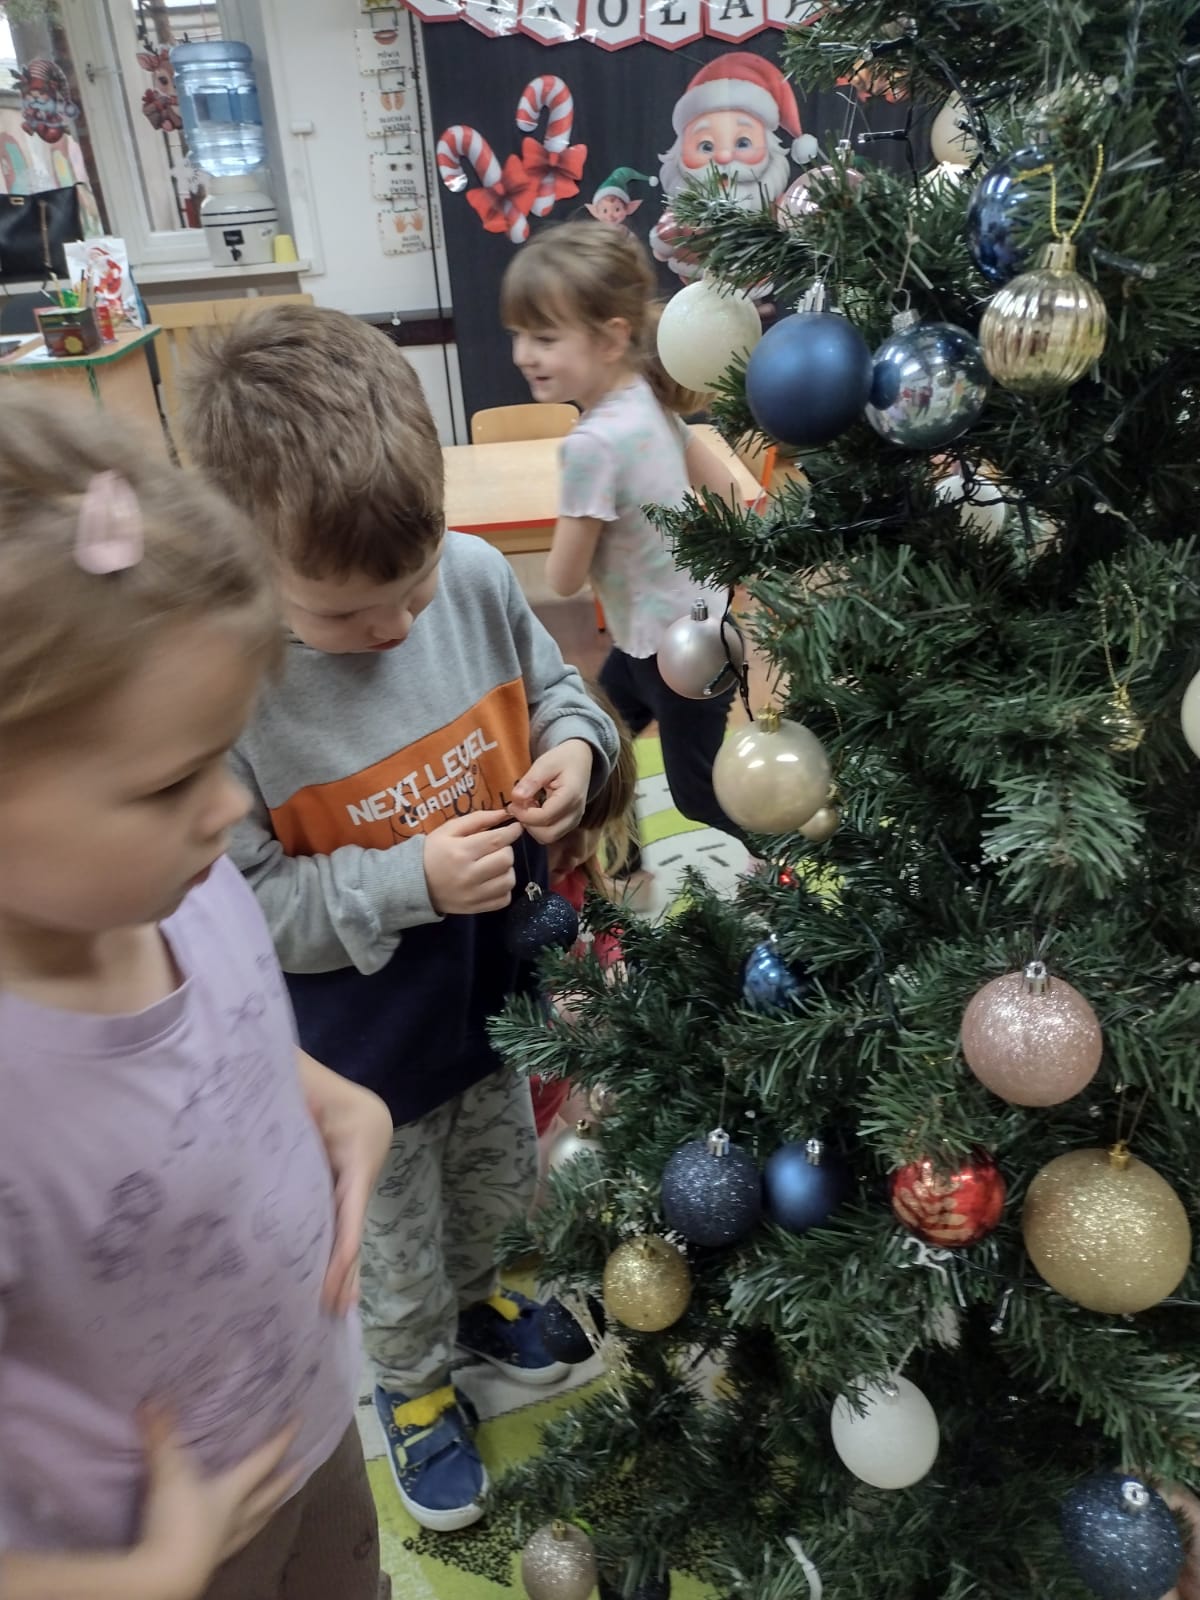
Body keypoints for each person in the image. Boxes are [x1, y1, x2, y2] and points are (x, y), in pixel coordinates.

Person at [180, 304, 619, 1535]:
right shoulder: (234, 697)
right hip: (360, 1056)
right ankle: (415, 1386)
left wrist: (577, 757)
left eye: (413, 585)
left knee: (501, 1187)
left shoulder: (472, 581)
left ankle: (484, 1310)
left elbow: (562, 694)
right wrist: (406, 881)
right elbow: (248, 914)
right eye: (344, 617)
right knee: (396, 1244)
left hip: (493, 1000)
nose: (396, 629)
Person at [0, 393, 394, 1600]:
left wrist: (324, 1094)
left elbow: (213, 1043)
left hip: (307, 1431)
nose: (227, 807)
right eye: (171, 781)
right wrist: (142, 1576)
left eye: (225, 753)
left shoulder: (186, 881)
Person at [501, 220, 746, 867]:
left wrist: (590, 516)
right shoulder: (646, 396)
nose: (524, 354)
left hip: (677, 654)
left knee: (698, 794)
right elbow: (726, 487)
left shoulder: (591, 446)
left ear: (611, 338)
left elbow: (561, 579)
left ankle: (779, 865)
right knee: (604, 743)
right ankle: (625, 859)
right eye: (519, 335)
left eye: (544, 338)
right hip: (685, 631)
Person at [533, 681, 637, 1150]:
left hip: (564, 1090)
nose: (578, 850)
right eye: (560, 830)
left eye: (592, 827)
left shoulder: (579, 880)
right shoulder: (496, 902)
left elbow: (605, 937)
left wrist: (614, 971)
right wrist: (555, 1013)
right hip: (513, 1112)